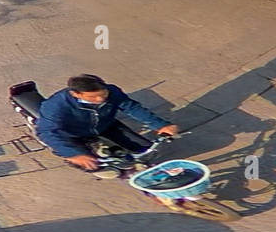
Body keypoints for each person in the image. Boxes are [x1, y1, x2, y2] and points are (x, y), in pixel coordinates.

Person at [33, 73, 179, 172]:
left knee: (144, 149)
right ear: (75, 94)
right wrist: (72, 154)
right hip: (73, 133)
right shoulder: (55, 106)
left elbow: (132, 108)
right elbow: (46, 132)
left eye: (103, 94)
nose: (100, 99)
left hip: (105, 125)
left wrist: (160, 125)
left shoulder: (112, 91)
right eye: (93, 97)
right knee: (91, 165)